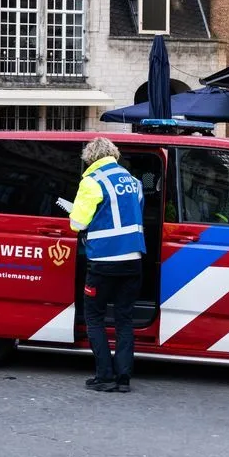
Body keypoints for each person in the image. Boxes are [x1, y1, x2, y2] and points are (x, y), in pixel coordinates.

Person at [69, 137, 146, 393]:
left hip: (103, 262)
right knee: (124, 319)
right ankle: (124, 378)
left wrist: (76, 214)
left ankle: (105, 376)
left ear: (91, 158)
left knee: (94, 317)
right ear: (113, 154)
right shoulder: (134, 182)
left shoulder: (91, 182)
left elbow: (78, 224)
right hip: (133, 261)